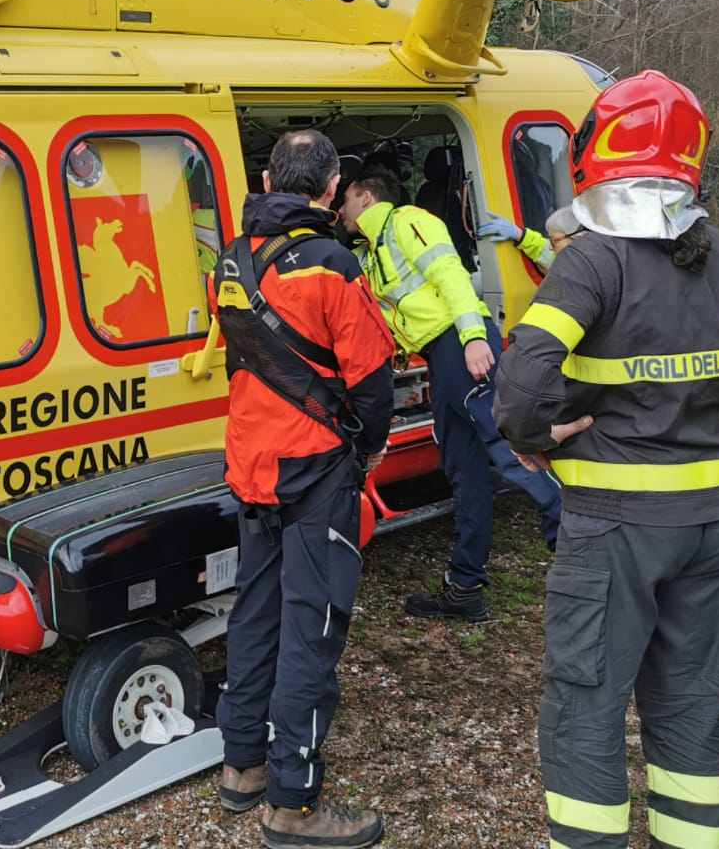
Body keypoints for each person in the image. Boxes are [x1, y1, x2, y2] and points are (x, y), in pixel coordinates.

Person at [493, 70, 719, 849]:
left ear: (595, 155)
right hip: (711, 525)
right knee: (689, 703)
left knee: (586, 702)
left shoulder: (593, 261)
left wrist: (544, 434)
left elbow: (521, 385)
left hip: (615, 527)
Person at [210, 129, 395, 849]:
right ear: (330, 187)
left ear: (266, 176)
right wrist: (370, 447)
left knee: (254, 613)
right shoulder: (333, 264)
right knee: (312, 628)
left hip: (251, 463)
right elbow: (372, 383)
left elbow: (241, 356)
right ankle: (292, 805)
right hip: (315, 467)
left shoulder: (230, 259)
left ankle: (241, 767)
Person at [341, 164, 515, 620]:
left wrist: (473, 336)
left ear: (363, 195)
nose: (339, 209)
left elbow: (452, 277)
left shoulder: (407, 222)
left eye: (344, 199)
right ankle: (464, 589)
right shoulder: (369, 253)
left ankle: (587, 545)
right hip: (443, 354)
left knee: (514, 451)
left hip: (460, 346)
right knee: (465, 469)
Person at [477, 205, 583, 275]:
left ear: (578, 238)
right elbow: (542, 249)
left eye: (555, 241)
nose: (550, 247)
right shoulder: (567, 256)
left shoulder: (591, 273)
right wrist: (518, 234)